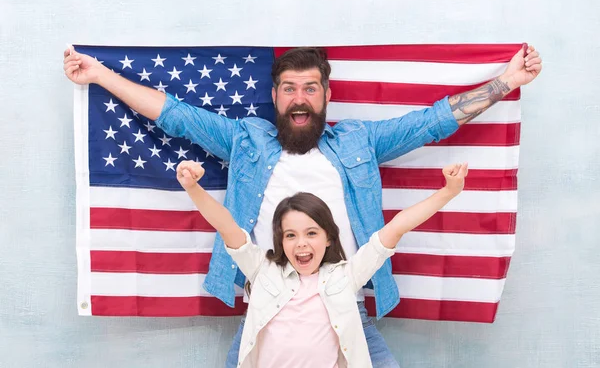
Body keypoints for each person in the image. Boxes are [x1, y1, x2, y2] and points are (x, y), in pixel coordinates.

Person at [63, 45, 542, 367]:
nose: (300, 98)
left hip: (347, 304)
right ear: (274, 97)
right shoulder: (246, 139)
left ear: (327, 95)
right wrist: (100, 75)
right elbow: (174, 116)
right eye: (289, 88)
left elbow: (432, 122)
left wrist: (506, 80)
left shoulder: (360, 140)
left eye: (310, 88)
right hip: (270, 306)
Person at [175, 159, 468, 368]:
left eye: (311, 233)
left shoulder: (346, 276)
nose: (301, 243)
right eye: (291, 235)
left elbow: (395, 229)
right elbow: (227, 226)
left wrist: (448, 192)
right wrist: (193, 188)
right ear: (281, 241)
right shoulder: (263, 270)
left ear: (328, 237)